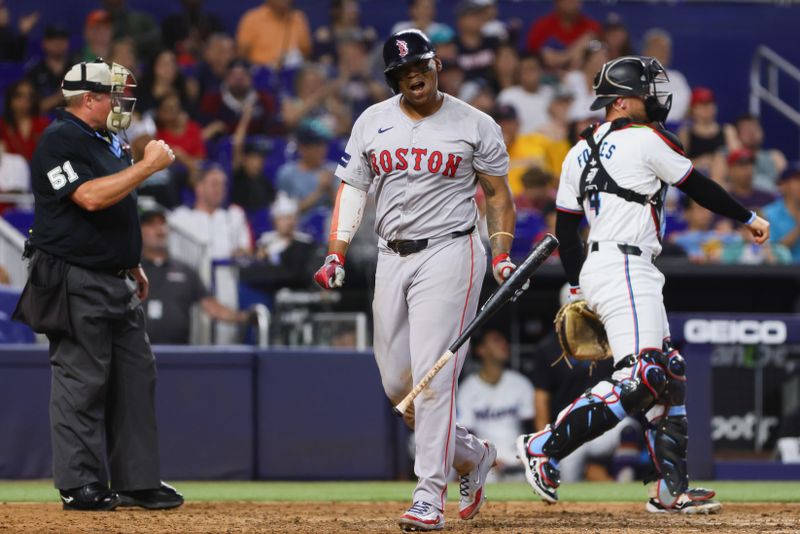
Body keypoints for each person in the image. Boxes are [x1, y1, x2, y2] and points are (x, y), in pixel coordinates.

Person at [516, 55, 770, 514]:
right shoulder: (644, 139)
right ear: (622, 102)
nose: (655, 98)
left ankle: (670, 491)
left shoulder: (578, 151)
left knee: (668, 372)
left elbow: (566, 233)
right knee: (643, 374)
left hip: (604, 266)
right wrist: (748, 217)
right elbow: (700, 187)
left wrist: (577, 289)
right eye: (646, 91)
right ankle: (544, 446)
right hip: (625, 265)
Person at [313, 29, 520, 531]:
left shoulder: (475, 123)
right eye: (403, 71)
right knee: (398, 386)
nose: (414, 76)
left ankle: (429, 495)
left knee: (433, 377)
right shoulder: (372, 121)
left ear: (436, 65)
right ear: (392, 79)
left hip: (452, 251)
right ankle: (471, 453)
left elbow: (497, 195)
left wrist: (501, 254)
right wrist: (336, 252)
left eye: (421, 66)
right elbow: (352, 190)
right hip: (391, 255)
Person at [21, 59, 182, 510]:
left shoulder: (107, 138)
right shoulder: (58, 140)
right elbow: (89, 197)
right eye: (112, 95)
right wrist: (147, 166)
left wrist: (131, 262)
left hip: (114, 276)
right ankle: (80, 484)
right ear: (88, 98)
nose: (120, 103)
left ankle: (137, 479)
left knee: (135, 376)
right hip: (73, 276)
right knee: (81, 379)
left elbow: (115, 206)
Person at [139, 204, 250, 344]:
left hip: (177, 355)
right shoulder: (131, 271)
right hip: (137, 356)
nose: (159, 229)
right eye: (151, 224)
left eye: (162, 223)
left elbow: (211, 306)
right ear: (140, 231)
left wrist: (244, 317)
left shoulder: (185, 270)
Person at [457, 329, 535, 482]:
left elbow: (531, 428)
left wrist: (528, 456)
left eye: (504, 340)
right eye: (496, 340)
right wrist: (485, 459)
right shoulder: (468, 389)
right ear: (480, 349)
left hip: (517, 456)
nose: (504, 344)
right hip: (484, 459)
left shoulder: (520, 383)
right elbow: (466, 434)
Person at [169, 164, 253, 259]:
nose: (220, 189)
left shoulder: (235, 214)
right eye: (214, 184)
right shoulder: (180, 217)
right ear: (199, 187)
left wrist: (240, 252)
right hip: (192, 272)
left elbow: (246, 249)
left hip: (228, 272)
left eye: (223, 185)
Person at [238, 194, 318, 293]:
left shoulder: (305, 241)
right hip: (270, 287)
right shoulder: (265, 241)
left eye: (291, 218)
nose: (289, 222)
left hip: (298, 287)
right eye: (283, 218)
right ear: (275, 221)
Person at [199, 58, 281, 138]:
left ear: (251, 78)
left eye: (243, 74)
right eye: (233, 74)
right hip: (223, 147)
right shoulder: (212, 100)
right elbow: (205, 133)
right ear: (226, 77)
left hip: (256, 147)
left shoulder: (264, 99)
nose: (238, 78)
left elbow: (273, 131)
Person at [276, 125, 338, 217]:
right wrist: (319, 191)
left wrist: (330, 190)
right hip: (299, 227)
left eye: (323, 145)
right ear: (302, 149)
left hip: (331, 226)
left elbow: (345, 210)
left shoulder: (334, 170)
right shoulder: (287, 174)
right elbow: (284, 213)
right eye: (316, 146)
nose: (322, 150)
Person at [525, 0, 600, 71]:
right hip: (547, 78)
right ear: (557, 2)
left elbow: (595, 60)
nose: (571, 2)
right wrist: (575, 51)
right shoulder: (541, 26)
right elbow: (538, 59)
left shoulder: (591, 27)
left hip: (582, 77)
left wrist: (559, 58)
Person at [236, 0, 311, 68]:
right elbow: (242, 56)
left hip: (293, 72)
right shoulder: (251, 19)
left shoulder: (298, 18)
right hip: (261, 74)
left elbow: (306, 52)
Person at [677, 87, 727, 183]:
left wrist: (716, 162)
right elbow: (678, 164)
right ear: (693, 109)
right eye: (703, 105)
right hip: (696, 178)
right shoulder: (686, 133)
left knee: (719, 160)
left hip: (723, 177)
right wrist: (699, 162)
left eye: (710, 104)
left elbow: (736, 158)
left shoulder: (727, 131)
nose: (708, 108)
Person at [641, 29, 691, 124]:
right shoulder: (637, 78)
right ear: (645, 51)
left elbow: (690, 109)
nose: (663, 53)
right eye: (657, 49)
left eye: (665, 49)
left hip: (678, 132)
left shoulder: (678, 78)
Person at [497, 53, 554, 135]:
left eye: (532, 69)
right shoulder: (508, 96)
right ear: (518, 74)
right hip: (519, 144)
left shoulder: (551, 93)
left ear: (540, 71)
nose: (529, 74)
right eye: (524, 70)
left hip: (549, 142)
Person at [731, 113, 787, 192]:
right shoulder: (727, 156)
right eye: (746, 130)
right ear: (737, 134)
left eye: (755, 128)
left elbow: (787, 186)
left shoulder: (775, 156)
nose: (752, 133)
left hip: (770, 200)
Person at [25, 24, 72, 113]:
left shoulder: (78, 69)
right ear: (44, 43)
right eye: (53, 39)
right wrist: (58, 97)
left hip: (72, 122)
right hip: (42, 123)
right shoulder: (34, 71)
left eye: (62, 39)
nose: (58, 43)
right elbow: (30, 109)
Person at [160, 0, 224, 66]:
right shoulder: (170, 24)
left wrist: (203, 47)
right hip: (178, 67)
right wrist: (181, 47)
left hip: (209, 67)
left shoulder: (213, 23)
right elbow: (163, 50)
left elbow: (223, 46)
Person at [134, 49, 197, 116]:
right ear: (154, 66)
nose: (169, 67)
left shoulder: (183, 92)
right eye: (164, 63)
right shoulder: (141, 93)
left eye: (172, 63)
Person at [0, 79, 50, 162]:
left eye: (30, 96)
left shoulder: (43, 123)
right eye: (20, 95)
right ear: (10, 99)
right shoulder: (2, 125)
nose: (25, 100)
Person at [453, 0, 501, 82]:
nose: (478, 18)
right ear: (460, 20)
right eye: (472, 14)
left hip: (493, 90)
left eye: (480, 14)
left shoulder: (494, 43)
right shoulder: (452, 46)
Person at [762, 163, 800, 262]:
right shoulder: (768, 213)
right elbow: (773, 251)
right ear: (783, 185)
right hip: (783, 273)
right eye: (797, 179)